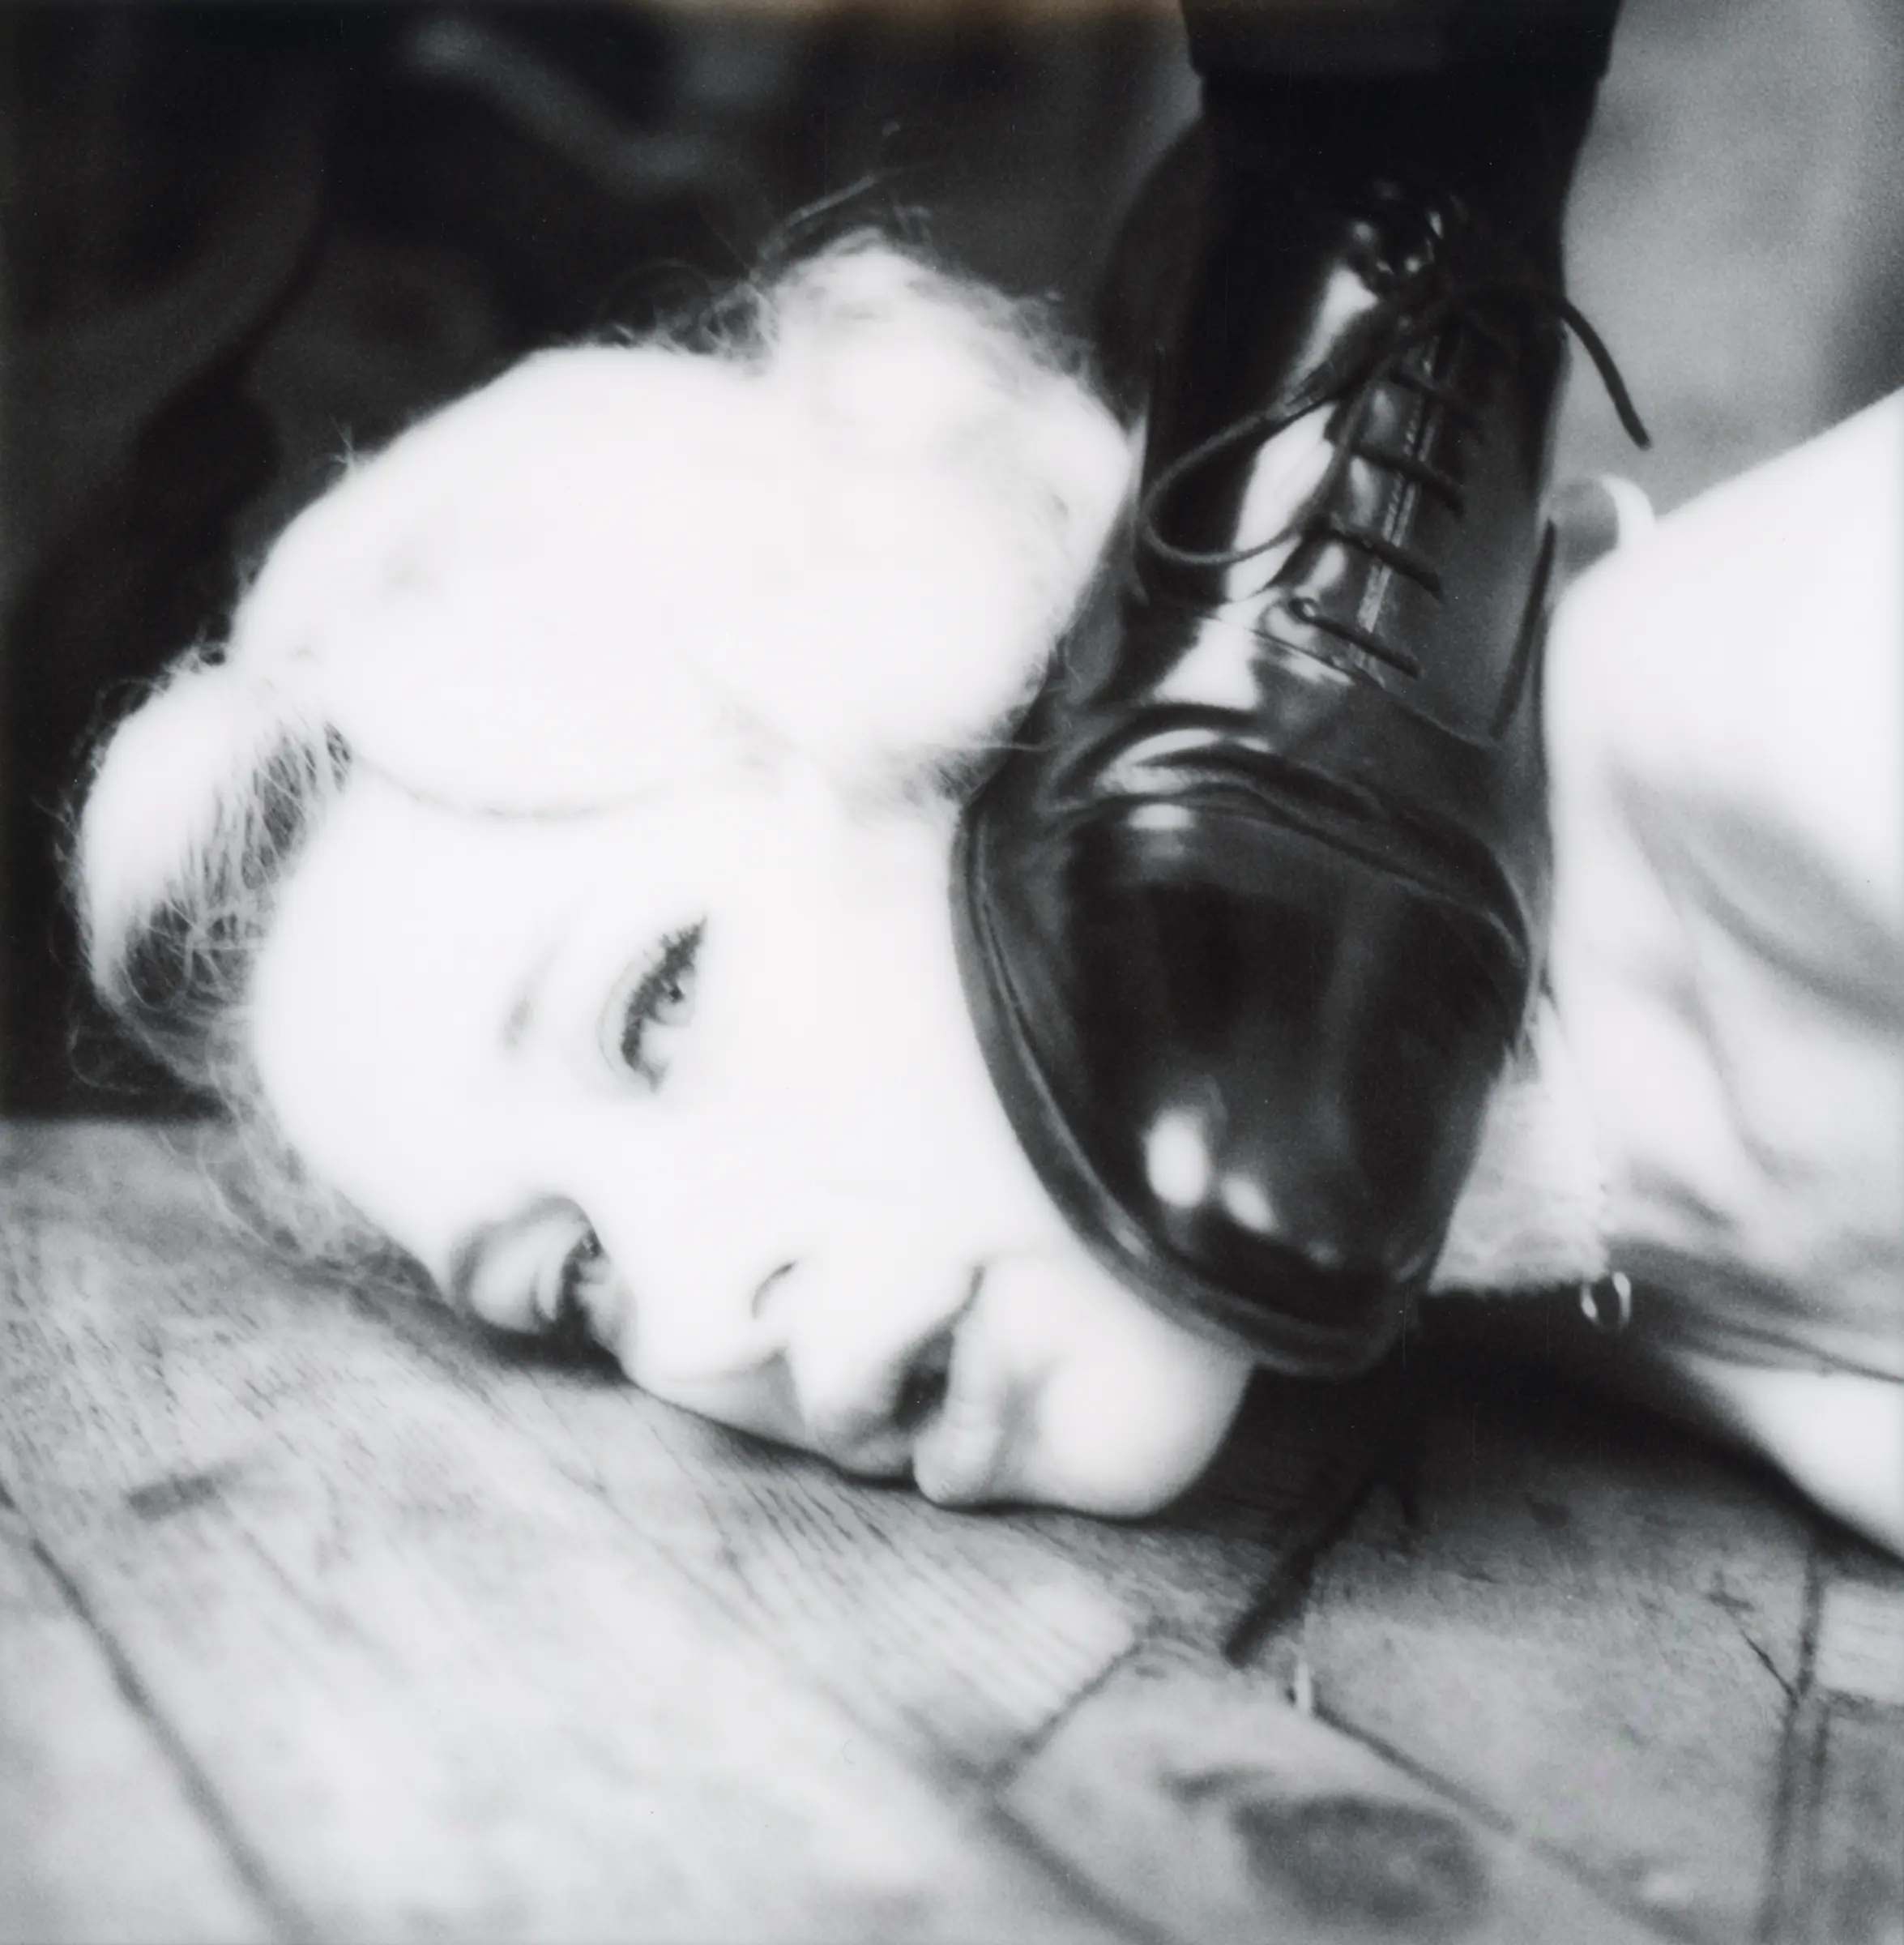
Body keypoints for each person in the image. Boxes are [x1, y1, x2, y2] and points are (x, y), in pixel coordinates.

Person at [71, 237, 1901, 1554]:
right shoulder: (1529, 1265)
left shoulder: (1808, 699)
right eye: (574, 1281)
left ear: (992, 708)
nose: (703, 1324)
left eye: (658, 1001)